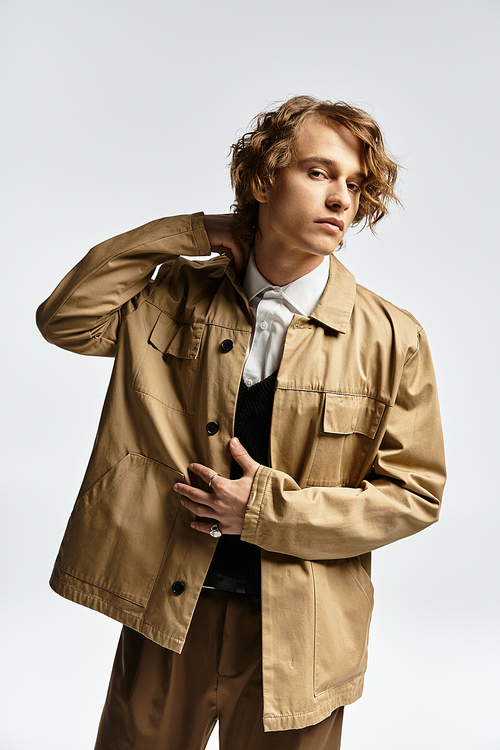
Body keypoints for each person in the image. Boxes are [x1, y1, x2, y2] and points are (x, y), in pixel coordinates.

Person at [36, 95, 446, 749]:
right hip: (169, 612)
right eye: (319, 173)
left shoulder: (392, 338)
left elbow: (414, 496)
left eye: (354, 183)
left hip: (303, 639)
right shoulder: (172, 294)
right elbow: (68, 318)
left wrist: (263, 512)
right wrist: (185, 232)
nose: (341, 197)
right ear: (261, 181)